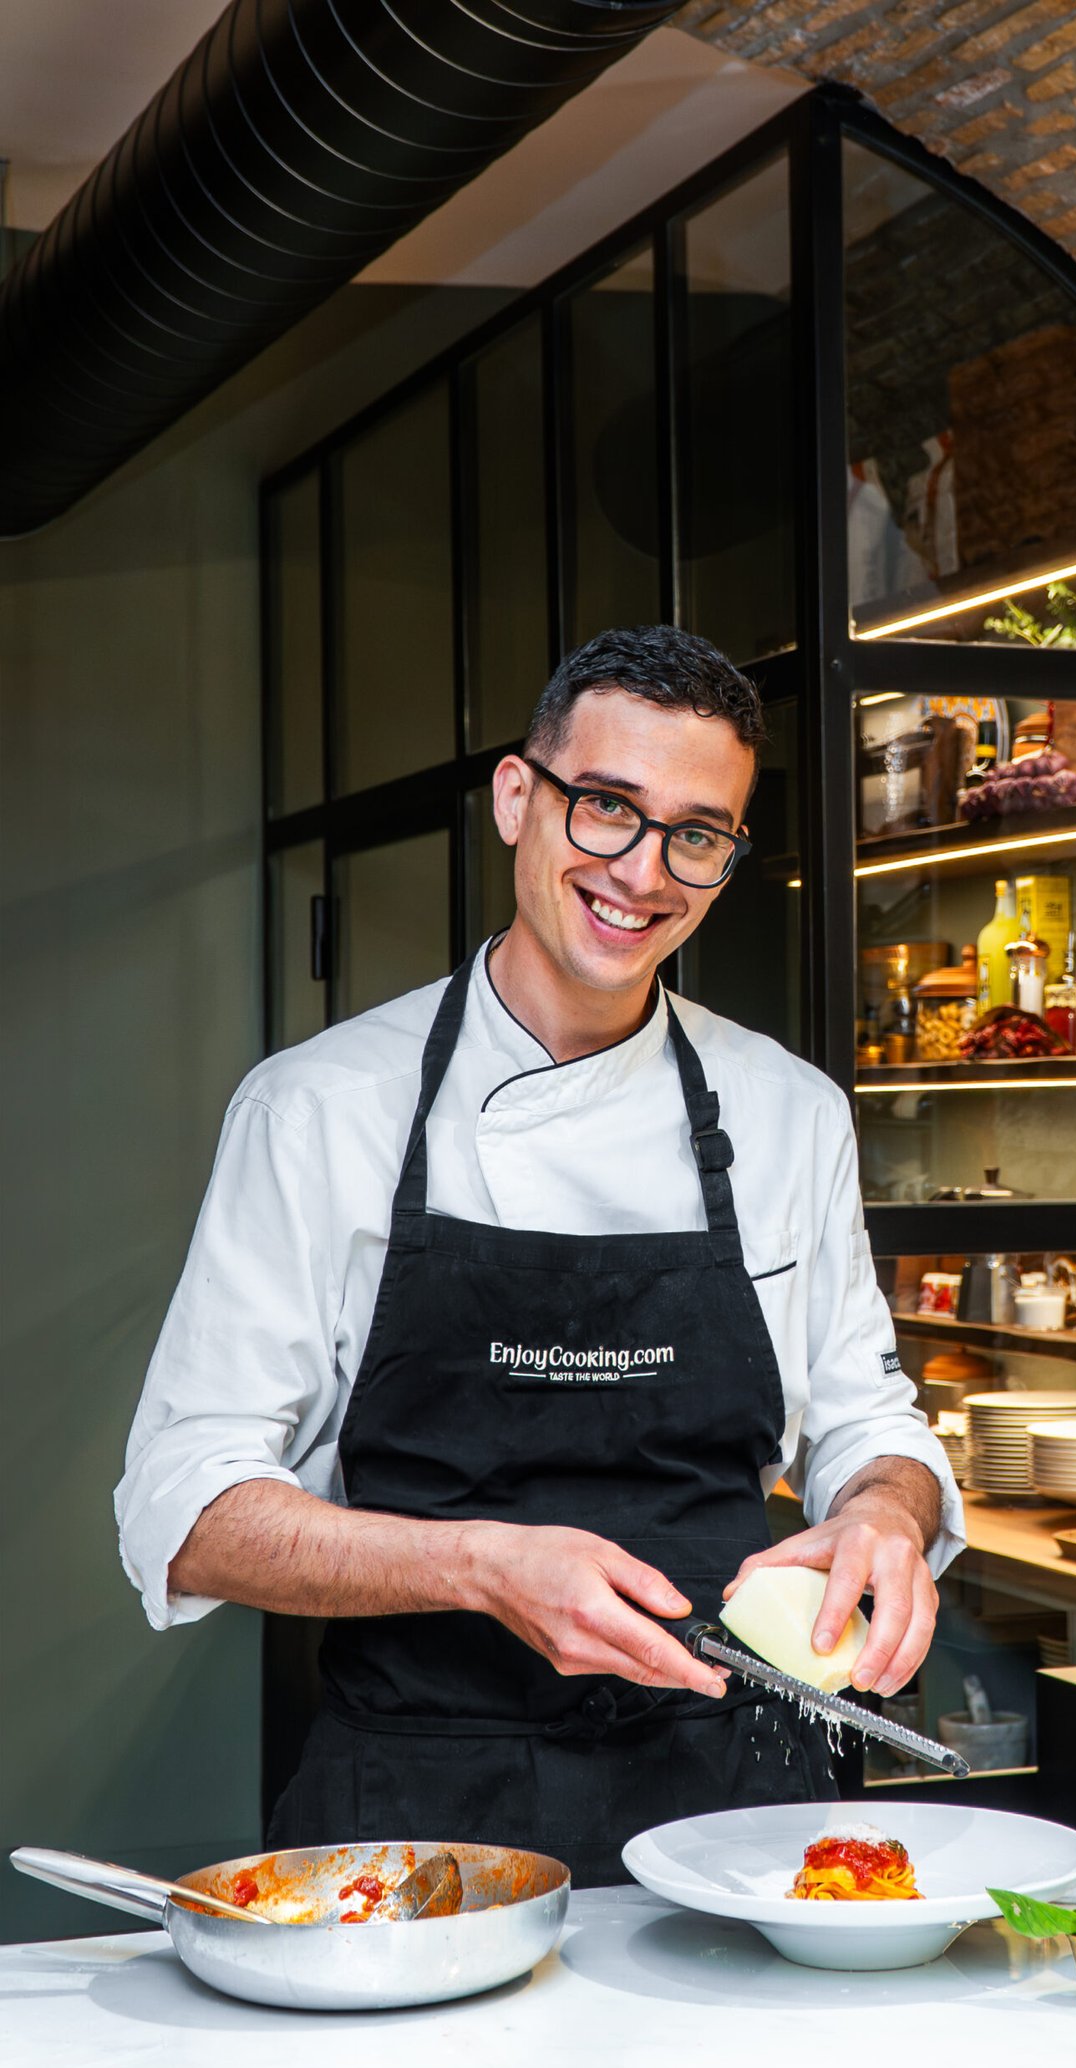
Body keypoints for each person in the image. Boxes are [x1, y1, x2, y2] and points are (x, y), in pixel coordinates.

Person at [116, 625, 963, 1884]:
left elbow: (865, 1421)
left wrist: (887, 1512)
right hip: (418, 1818)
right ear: (517, 798)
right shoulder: (319, 1110)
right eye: (606, 808)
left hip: (740, 1806)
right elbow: (184, 1509)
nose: (643, 872)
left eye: (697, 834)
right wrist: (479, 1565)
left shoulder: (789, 1112)